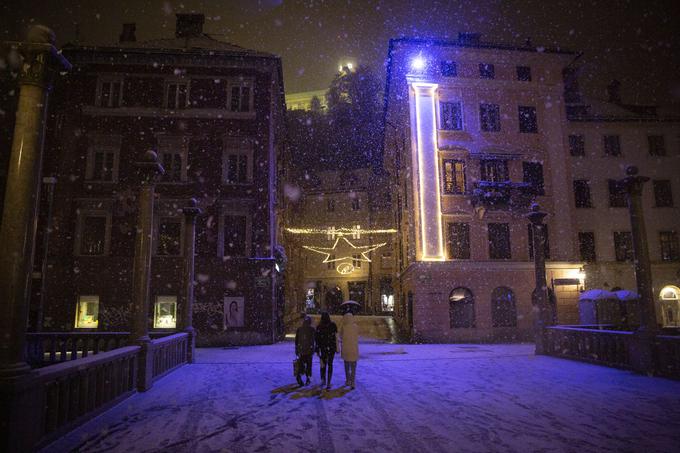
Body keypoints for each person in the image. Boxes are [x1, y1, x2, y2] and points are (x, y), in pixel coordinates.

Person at [315, 312, 338, 390]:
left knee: (323, 364)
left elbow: (317, 339)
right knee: (330, 364)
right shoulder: (333, 325)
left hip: (323, 348)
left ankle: (323, 379)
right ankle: (329, 381)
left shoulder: (319, 327)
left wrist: (317, 349)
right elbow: (336, 337)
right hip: (331, 348)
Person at [339, 312, 359, 389]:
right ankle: (353, 382)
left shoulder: (344, 327)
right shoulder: (356, 327)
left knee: (347, 366)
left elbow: (340, 336)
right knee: (353, 367)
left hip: (346, 350)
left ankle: (348, 380)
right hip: (354, 349)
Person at [295, 316, 315, 386]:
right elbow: (313, 340)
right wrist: (313, 349)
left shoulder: (299, 329)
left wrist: (297, 350)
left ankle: (299, 375)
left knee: (301, 364)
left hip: (301, 350)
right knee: (309, 365)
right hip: (309, 350)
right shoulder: (312, 329)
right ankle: (308, 378)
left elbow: (296, 341)